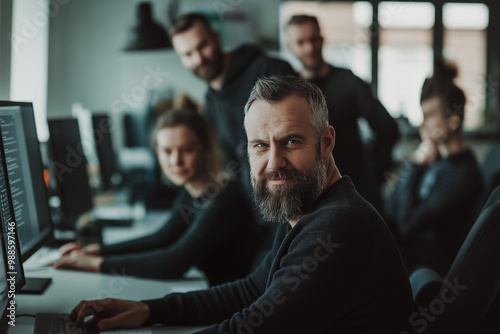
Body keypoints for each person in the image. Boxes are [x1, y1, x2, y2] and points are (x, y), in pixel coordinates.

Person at [68, 76, 413, 333]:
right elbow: (251, 290)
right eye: (260, 145)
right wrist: (148, 310)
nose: (275, 162)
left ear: (326, 142)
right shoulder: (306, 210)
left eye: (291, 141)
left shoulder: (337, 226)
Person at [52, 108, 258, 286]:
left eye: (187, 150)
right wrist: (95, 251)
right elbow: (161, 239)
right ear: (157, 152)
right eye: (167, 151)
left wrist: (94, 264)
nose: (176, 161)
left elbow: (173, 262)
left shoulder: (226, 200)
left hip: (232, 311)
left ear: (205, 148)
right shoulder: (192, 191)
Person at [170, 13, 296, 206]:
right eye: (187, 54)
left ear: (215, 37)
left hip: (293, 201)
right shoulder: (210, 103)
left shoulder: (271, 71)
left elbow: (300, 139)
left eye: (202, 46)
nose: (198, 59)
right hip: (257, 213)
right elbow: (227, 167)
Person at [285, 14, 399, 210]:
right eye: (301, 42)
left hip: (355, 188)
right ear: (290, 47)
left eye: (313, 39)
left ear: (322, 40)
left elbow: (388, 128)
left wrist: (373, 173)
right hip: (309, 195)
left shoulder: (348, 81)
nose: (309, 48)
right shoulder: (289, 90)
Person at [385, 58, 484, 276]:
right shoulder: (437, 160)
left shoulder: (462, 175)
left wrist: (415, 164)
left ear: (453, 121)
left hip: (427, 264)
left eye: (429, 116)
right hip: (408, 250)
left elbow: (407, 224)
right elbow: (392, 204)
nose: (422, 125)